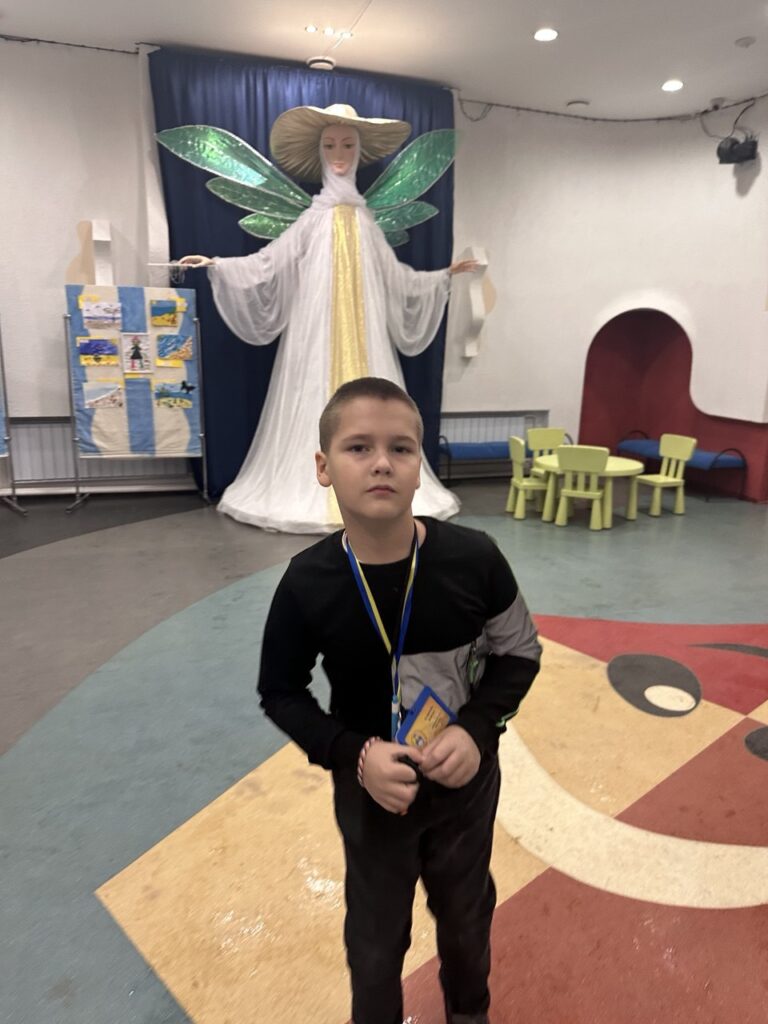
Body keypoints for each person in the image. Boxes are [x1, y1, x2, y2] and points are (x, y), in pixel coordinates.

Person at [258, 376, 541, 1024]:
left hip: (465, 789)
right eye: (359, 447)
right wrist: (353, 754)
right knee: (376, 942)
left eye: (401, 448)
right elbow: (280, 691)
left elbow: (520, 652)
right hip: (371, 798)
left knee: (466, 919)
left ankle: (469, 1011)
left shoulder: (476, 560)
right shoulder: (307, 583)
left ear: (421, 467)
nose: (382, 462)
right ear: (324, 467)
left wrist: (476, 728)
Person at [179, 104, 477, 534]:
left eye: (347, 145)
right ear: (320, 153)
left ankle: (372, 478)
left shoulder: (366, 221)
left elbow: (395, 276)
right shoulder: (313, 218)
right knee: (313, 392)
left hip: (366, 331)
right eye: (331, 146)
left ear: (358, 153)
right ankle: (321, 479)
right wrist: (217, 265)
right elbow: (270, 261)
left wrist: (442, 276)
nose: (339, 154)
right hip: (314, 331)